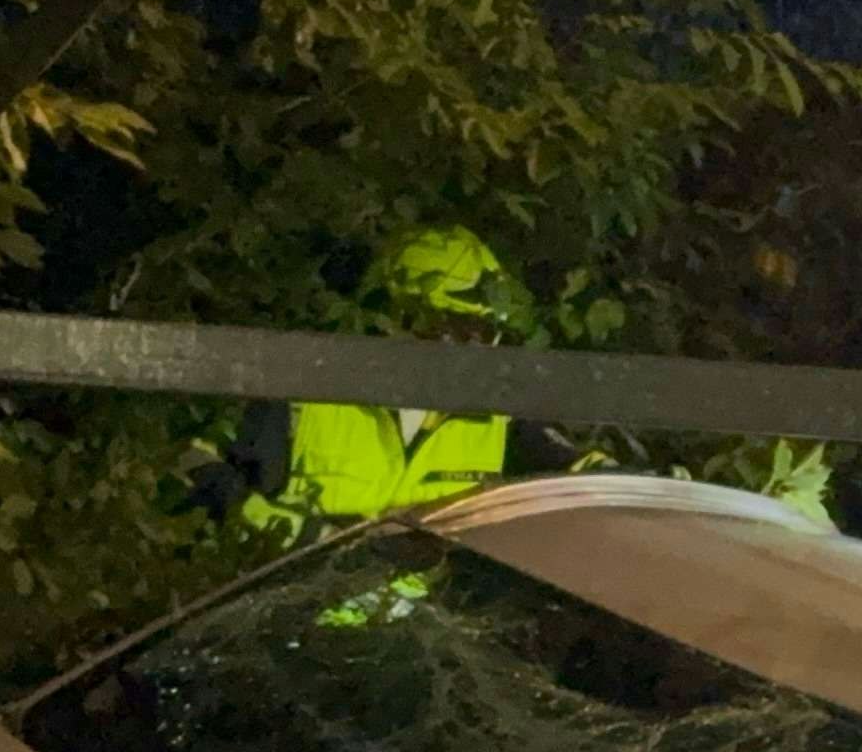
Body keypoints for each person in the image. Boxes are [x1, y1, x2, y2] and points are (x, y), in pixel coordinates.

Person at [186, 226, 573, 536]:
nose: (476, 349)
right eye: (458, 328)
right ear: (400, 318)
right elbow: (194, 464)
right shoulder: (308, 393)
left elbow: (581, 480)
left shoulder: (496, 418)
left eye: (486, 332)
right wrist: (311, 540)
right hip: (289, 619)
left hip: (423, 630)